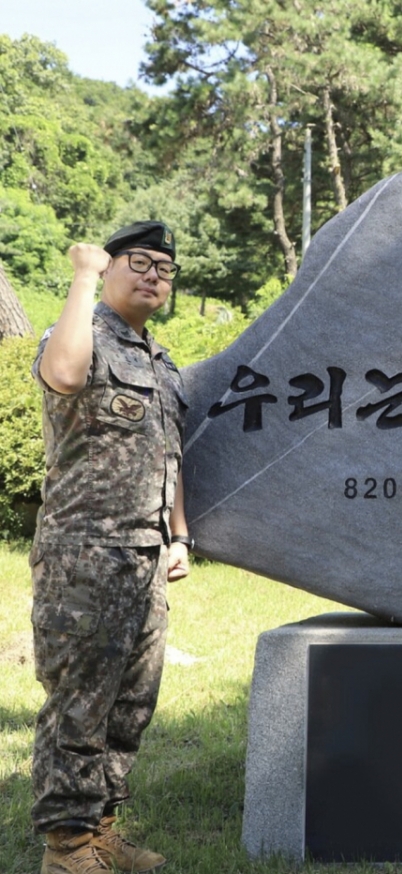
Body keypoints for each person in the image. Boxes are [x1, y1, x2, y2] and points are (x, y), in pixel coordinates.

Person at [30, 221, 193, 874]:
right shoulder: (79, 332)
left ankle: (100, 828)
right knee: (79, 703)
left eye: (164, 268)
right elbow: (65, 375)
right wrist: (81, 276)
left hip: (146, 558)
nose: (154, 275)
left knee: (129, 706)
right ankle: (66, 847)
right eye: (139, 262)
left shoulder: (162, 362)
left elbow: (170, 453)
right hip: (85, 554)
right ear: (110, 268)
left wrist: (178, 535)